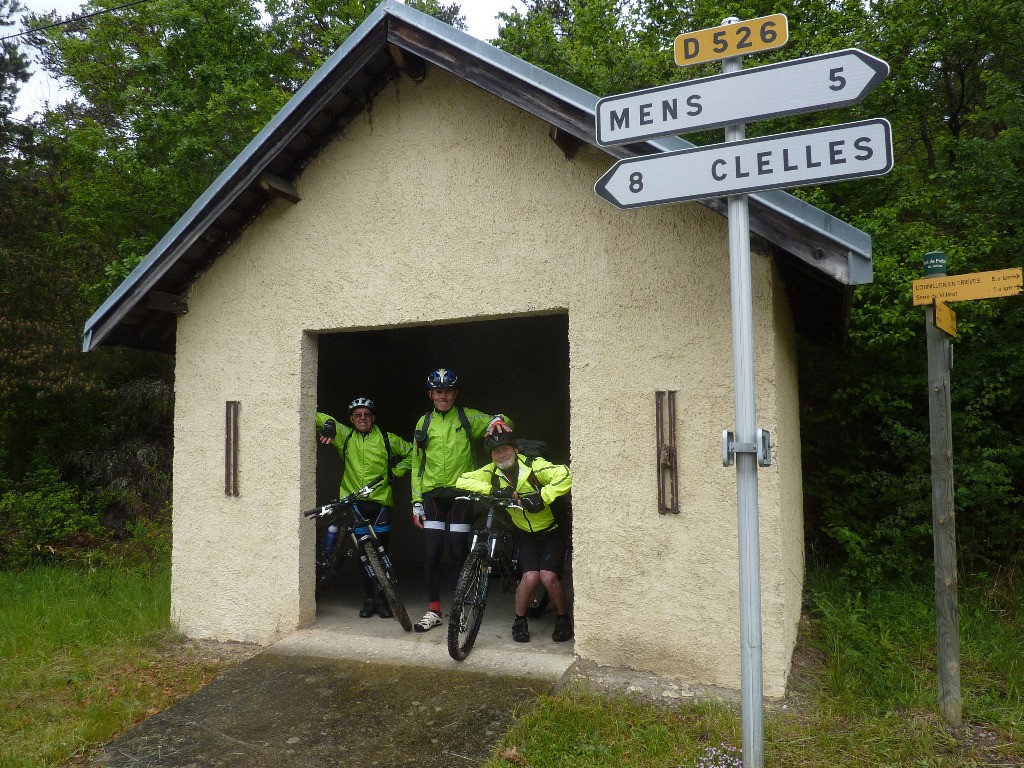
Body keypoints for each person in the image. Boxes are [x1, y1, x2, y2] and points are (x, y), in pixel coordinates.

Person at [409, 367, 512, 632]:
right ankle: (434, 611)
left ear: (455, 393)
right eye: (438, 392)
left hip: (462, 494)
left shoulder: (467, 417)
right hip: (432, 495)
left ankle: (460, 610)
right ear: (430, 394)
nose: (443, 396)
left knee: (458, 552)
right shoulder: (423, 422)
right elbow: (416, 464)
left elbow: (498, 419)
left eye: (448, 391)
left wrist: (498, 420)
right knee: (432, 553)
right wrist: (416, 501)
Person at [455, 431, 573, 643]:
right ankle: (519, 620)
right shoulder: (492, 472)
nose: (501, 455)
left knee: (547, 577)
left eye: (505, 449)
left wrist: (542, 496)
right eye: (496, 452)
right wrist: (494, 490)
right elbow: (462, 480)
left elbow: (565, 474)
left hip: (551, 529)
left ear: (515, 450)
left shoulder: (534, 466)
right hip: (524, 532)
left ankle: (563, 618)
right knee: (529, 578)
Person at [316, 397, 412, 618]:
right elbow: (314, 415)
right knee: (363, 557)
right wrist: (329, 424)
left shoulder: (387, 439)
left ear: (373, 418)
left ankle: (384, 600)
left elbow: (413, 453)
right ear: (351, 419)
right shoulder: (345, 437)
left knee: (381, 555)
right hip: (355, 505)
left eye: (366, 415)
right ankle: (369, 600)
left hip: (381, 504)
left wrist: (395, 473)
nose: (362, 418)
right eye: (357, 415)